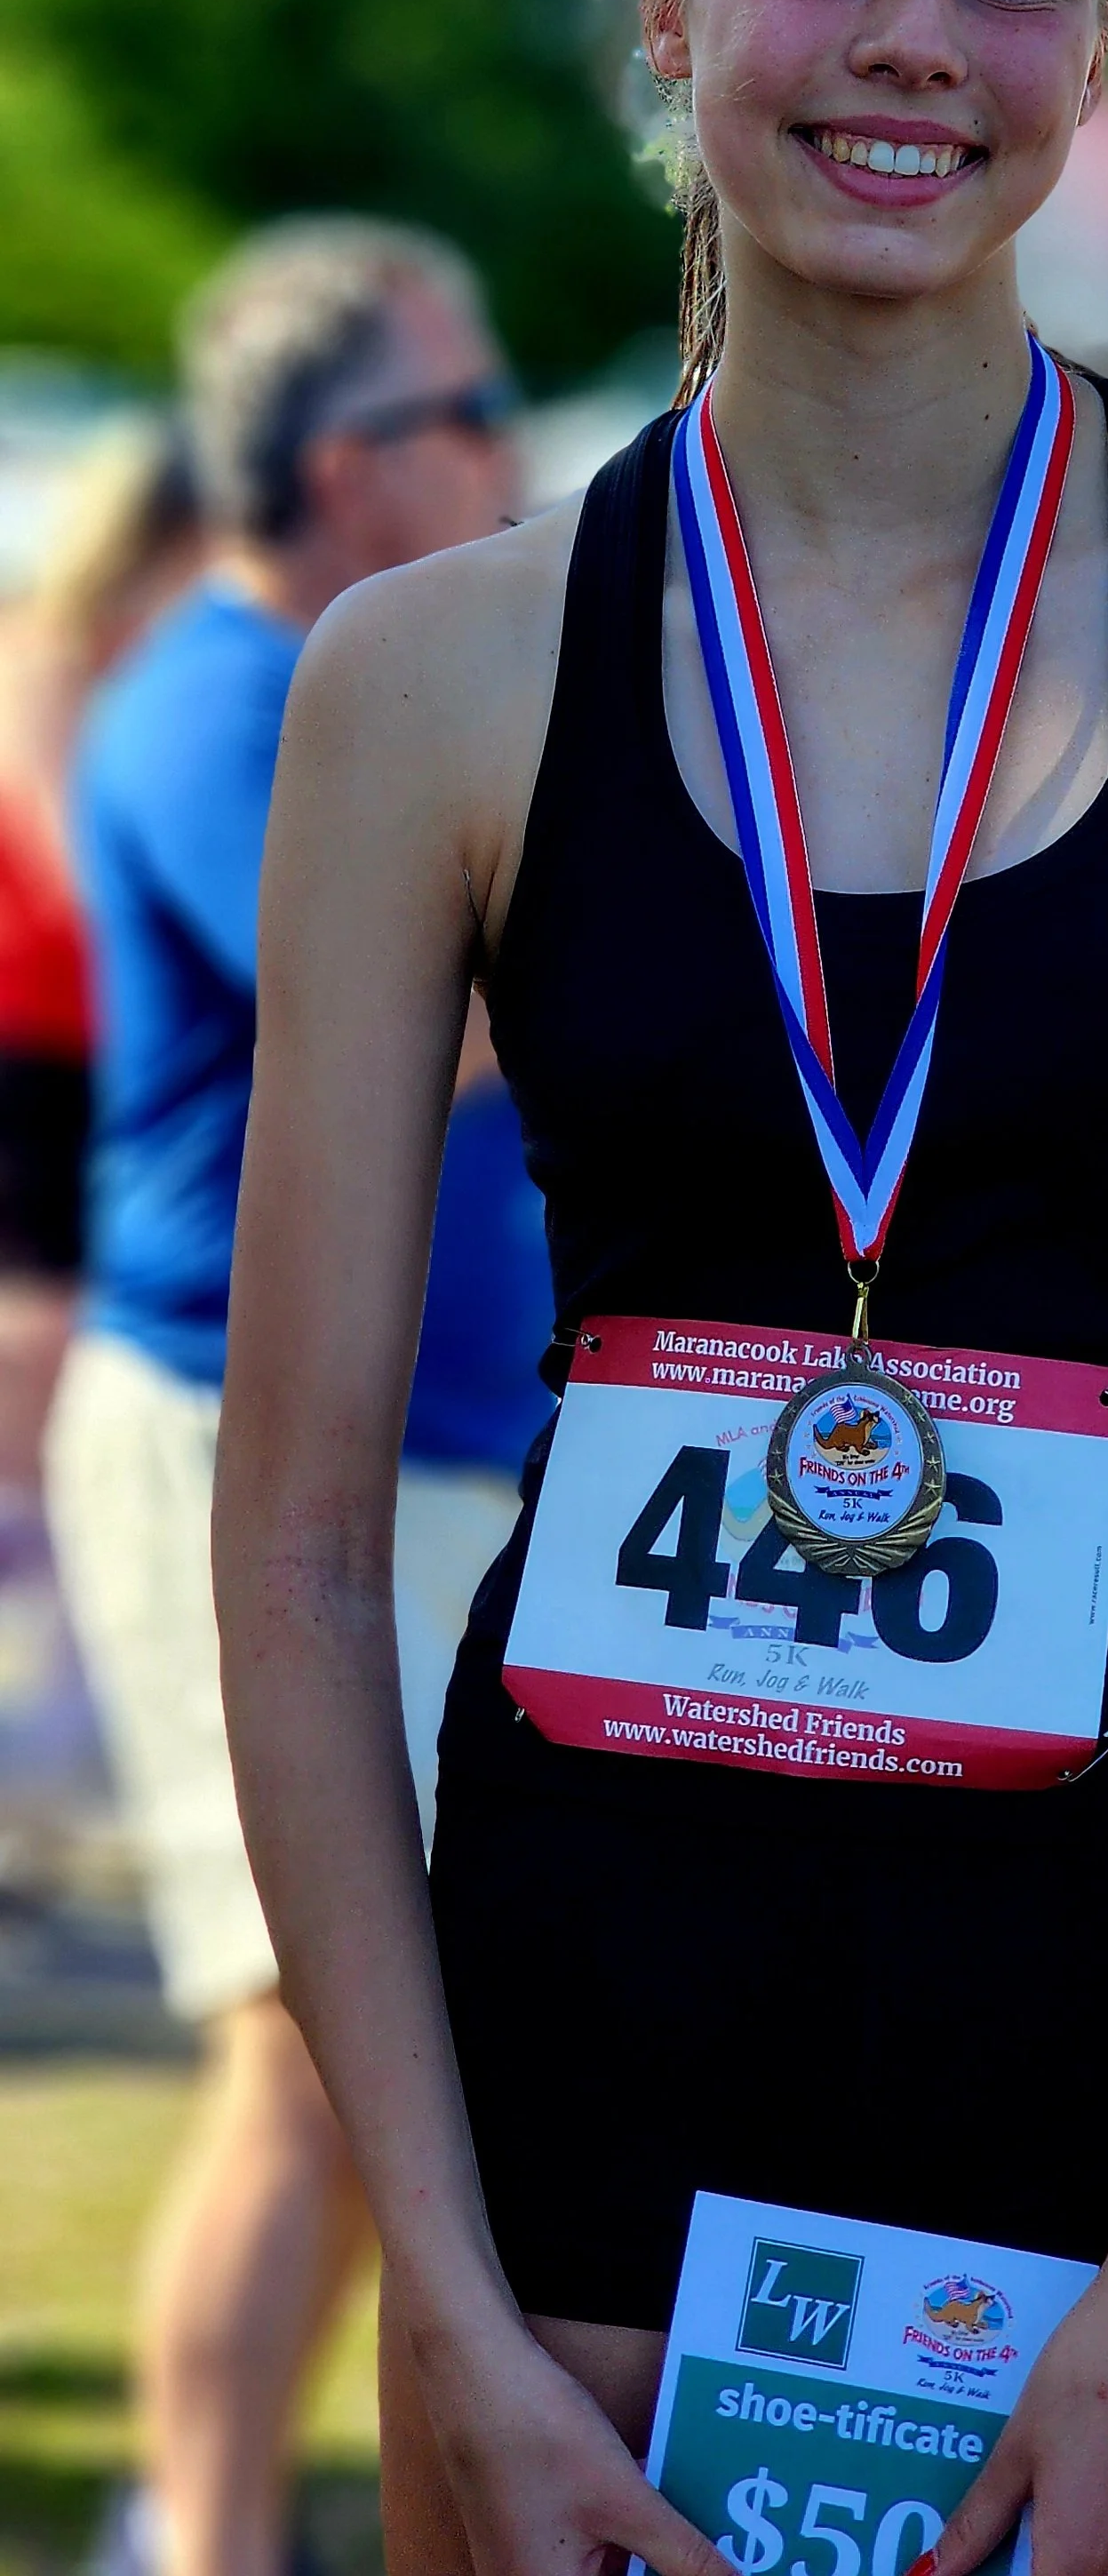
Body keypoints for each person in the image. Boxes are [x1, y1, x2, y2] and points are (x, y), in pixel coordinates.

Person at [214, 0, 1108, 2576]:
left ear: (1086, 37)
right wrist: (422, 2271)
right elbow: (285, 1540)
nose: (914, 39)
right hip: (595, 2041)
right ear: (665, 5)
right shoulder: (422, 679)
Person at [44, 221, 550, 2576]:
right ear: (348, 469)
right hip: (237, 1452)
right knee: (295, 2051)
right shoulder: (228, 702)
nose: (504, 458)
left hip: (386, 1457)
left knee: (383, 2076)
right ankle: (201, 2539)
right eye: (467, 416)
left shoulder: (313, 683)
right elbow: (427, 1012)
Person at [0, 420, 202, 1486]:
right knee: (36, 1317)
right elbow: (69, 857)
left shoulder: (155, 659)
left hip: (115, 1025)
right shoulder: (44, 652)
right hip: (34, 1025)